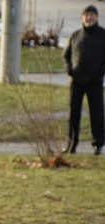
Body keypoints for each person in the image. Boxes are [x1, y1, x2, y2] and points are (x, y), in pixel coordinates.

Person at [64, 4, 105, 155]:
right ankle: (71, 143)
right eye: (86, 15)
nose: (89, 17)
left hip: (94, 81)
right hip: (77, 81)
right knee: (73, 113)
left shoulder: (102, 35)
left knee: (97, 113)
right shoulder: (75, 35)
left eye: (92, 15)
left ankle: (98, 144)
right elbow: (66, 55)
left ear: (96, 17)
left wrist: (100, 72)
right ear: (82, 18)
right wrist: (69, 70)